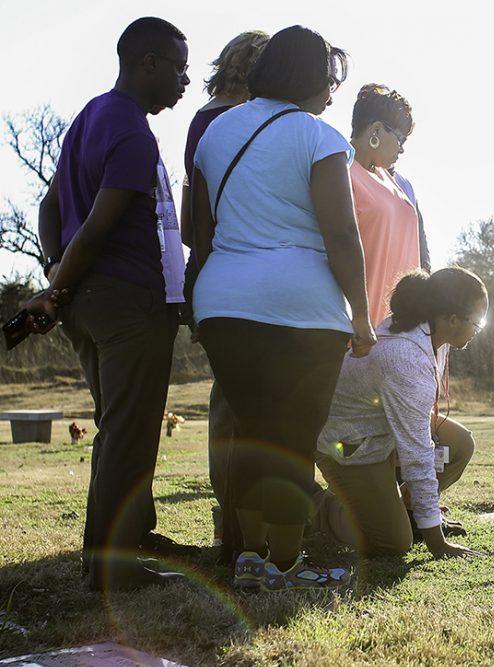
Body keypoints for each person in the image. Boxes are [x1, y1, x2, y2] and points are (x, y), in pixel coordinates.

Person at [191, 25, 376, 591]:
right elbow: (341, 236)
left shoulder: (216, 131)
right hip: (301, 307)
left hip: (223, 301)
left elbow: (202, 234)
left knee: (251, 431)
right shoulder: (317, 136)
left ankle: (247, 559)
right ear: (309, 79)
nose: (330, 93)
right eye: (328, 79)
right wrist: (363, 317)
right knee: (293, 436)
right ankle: (287, 564)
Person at [27, 17, 191, 590]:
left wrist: (55, 271)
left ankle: (105, 557)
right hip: (126, 301)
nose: (185, 80)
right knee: (130, 431)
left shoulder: (89, 117)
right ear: (148, 63)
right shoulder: (132, 133)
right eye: (178, 67)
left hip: (87, 308)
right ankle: (112, 567)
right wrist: (57, 283)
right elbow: (97, 227)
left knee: (115, 426)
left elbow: (50, 206)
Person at [315, 268, 487, 559]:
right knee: (392, 543)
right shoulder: (404, 356)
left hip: (383, 431)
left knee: (459, 444)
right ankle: (304, 505)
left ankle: (407, 514)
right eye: (477, 322)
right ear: (453, 319)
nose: (477, 331)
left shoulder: (433, 334)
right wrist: (437, 543)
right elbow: (417, 455)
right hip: (348, 445)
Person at [179, 30, 269, 564]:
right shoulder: (223, 121)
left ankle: (238, 517)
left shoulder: (205, 118)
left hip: (214, 272)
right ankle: (235, 522)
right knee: (235, 405)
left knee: (231, 403)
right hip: (229, 271)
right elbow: (195, 220)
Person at [349, 84, 421, 326]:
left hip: (401, 330)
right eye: (399, 138)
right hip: (358, 326)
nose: (402, 148)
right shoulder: (341, 172)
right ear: (376, 130)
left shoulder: (393, 181)